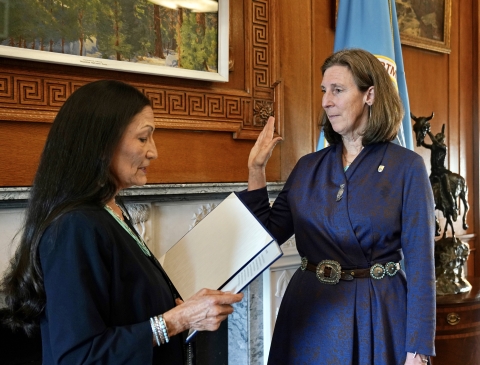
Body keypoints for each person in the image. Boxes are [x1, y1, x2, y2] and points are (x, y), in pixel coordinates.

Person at [0, 80, 243, 364]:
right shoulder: (75, 227)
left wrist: (180, 310)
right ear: (101, 143)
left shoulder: (111, 210)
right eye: (143, 138)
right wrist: (175, 321)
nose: (153, 152)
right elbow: (78, 355)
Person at [240, 49, 436, 365]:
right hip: (309, 317)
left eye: (337, 90)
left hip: (376, 316)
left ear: (369, 94)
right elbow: (265, 237)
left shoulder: (407, 167)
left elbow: (422, 266)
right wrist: (256, 169)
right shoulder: (307, 167)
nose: (326, 101)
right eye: (324, 91)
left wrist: (418, 348)